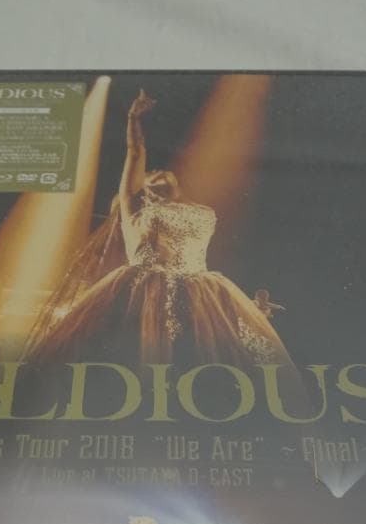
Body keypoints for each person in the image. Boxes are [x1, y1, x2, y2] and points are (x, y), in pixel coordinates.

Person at [23, 90, 301, 372]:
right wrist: (133, 119)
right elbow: (135, 152)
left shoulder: (202, 210)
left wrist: (248, 311)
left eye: (159, 172)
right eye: (149, 175)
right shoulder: (136, 207)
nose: (155, 172)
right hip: (145, 290)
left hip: (201, 291)